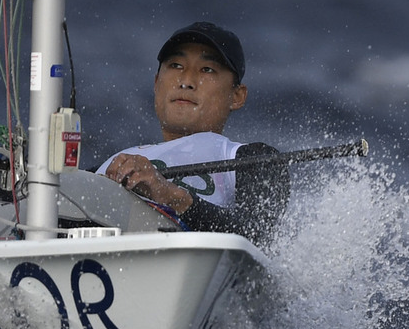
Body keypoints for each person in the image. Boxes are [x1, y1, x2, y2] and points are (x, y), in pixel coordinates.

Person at [96, 21, 290, 246]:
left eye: (207, 69)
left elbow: (258, 236)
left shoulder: (255, 159)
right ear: (157, 83)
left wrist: (171, 197)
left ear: (237, 96)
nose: (186, 82)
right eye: (176, 65)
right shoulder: (111, 162)